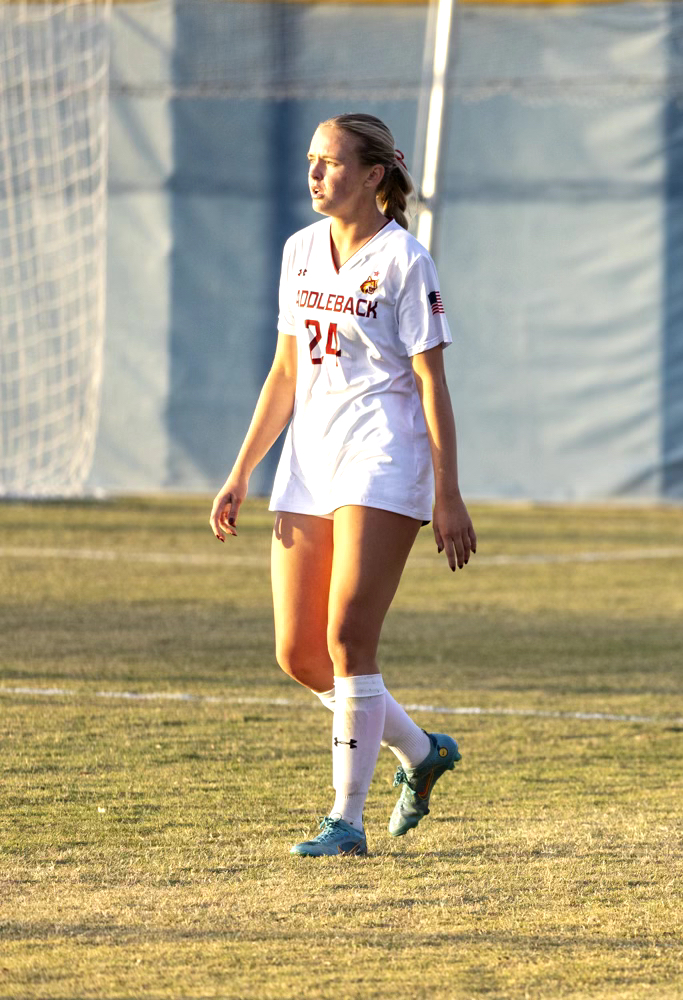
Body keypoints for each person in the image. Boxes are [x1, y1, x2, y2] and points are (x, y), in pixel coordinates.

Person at [209, 113, 476, 857]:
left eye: (329, 162)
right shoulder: (300, 251)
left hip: (382, 462)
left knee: (349, 638)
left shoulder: (405, 261)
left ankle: (346, 821)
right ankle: (423, 753)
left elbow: (432, 385)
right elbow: (287, 372)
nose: (315, 174)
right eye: (310, 161)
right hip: (308, 462)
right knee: (299, 655)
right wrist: (241, 471)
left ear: (373, 173)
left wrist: (447, 492)